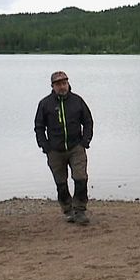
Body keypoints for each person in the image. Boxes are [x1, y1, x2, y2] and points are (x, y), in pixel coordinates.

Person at [35, 70, 94, 225]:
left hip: (76, 147)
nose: (62, 86)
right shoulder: (45, 104)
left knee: (81, 178)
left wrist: (85, 142)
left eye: (64, 83)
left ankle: (80, 210)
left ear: (68, 83)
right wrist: (45, 146)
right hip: (54, 150)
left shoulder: (77, 101)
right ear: (52, 86)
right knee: (61, 183)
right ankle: (68, 210)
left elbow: (88, 122)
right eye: (58, 84)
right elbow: (39, 127)